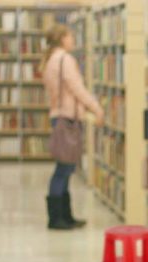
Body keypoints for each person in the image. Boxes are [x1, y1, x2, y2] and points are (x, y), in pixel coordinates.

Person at [41, 24, 104, 230]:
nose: (73, 39)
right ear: (62, 39)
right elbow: (77, 88)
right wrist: (96, 108)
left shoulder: (51, 59)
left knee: (65, 168)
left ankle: (65, 216)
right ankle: (57, 218)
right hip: (66, 119)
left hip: (60, 117)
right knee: (64, 168)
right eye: (70, 36)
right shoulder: (64, 60)